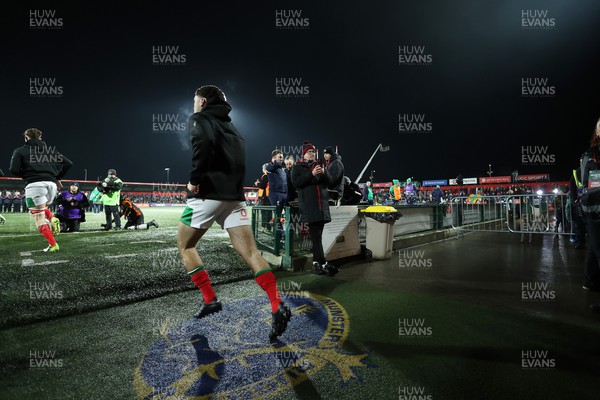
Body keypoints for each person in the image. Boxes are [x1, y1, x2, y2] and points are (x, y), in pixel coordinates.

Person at [177, 85, 290, 340]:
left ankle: (210, 299)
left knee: (186, 246)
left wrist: (195, 180)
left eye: (195, 101)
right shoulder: (234, 130)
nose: (194, 105)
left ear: (203, 101)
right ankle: (276, 303)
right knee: (251, 253)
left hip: (207, 195)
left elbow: (202, 146)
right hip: (235, 198)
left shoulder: (200, 118)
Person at [9, 128, 72, 252]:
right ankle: (52, 218)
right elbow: (68, 163)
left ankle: (53, 245)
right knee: (42, 209)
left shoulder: (20, 151)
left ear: (26, 138)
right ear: (40, 137)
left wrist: (27, 173)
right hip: (52, 186)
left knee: (38, 217)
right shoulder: (50, 151)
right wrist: (57, 177)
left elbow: (14, 170)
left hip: (35, 185)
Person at [291, 141, 339, 277]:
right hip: (310, 206)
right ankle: (319, 263)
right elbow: (296, 183)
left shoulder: (319, 165)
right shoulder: (297, 167)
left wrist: (324, 173)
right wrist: (311, 174)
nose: (312, 154)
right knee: (315, 237)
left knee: (318, 237)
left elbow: (329, 181)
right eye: (309, 152)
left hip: (321, 206)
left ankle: (320, 263)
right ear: (304, 154)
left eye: (313, 152)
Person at [581, 118, 600, 292]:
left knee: (594, 248)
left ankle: (589, 281)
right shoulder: (590, 155)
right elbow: (588, 185)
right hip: (594, 210)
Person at [569, 158, 586, 249]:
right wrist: (574, 201)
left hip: (584, 202)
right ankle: (580, 242)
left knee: (581, 224)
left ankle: (580, 242)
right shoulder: (576, 172)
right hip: (580, 203)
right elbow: (572, 188)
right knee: (580, 225)